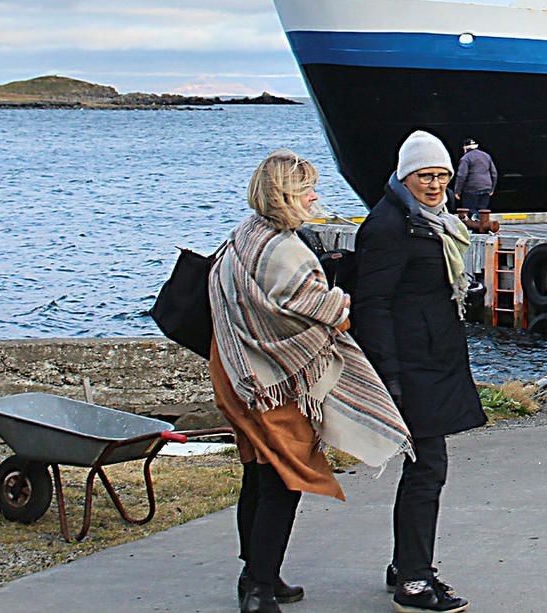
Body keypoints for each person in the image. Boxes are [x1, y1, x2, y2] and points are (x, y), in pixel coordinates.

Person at [210, 151, 410, 613]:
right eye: (307, 189)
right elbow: (325, 310)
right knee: (285, 478)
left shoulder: (243, 236)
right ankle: (259, 590)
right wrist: (342, 298)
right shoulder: (285, 249)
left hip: (237, 372)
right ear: (286, 195)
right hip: (274, 381)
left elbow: (238, 304)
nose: (315, 195)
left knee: (258, 475)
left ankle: (258, 574)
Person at [354, 131, 486, 612]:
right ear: (403, 175)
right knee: (427, 469)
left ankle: (405, 563)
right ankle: (413, 580)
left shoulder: (434, 222)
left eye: (442, 176)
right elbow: (374, 304)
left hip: (433, 357)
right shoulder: (390, 226)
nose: (434, 185)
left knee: (425, 469)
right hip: (411, 367)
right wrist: (389, 377)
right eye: (424, 176)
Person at [453, 139, 497, 220]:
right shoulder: (486, 156)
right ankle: (482, 226)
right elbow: (494, 173)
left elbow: (461, 176)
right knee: (482, 210)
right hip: (487, 187)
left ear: (465, 148)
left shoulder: (465, 158)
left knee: (470, 209)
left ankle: (476, 220)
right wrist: (492, 188)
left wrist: (457, 191)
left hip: (471, 188)